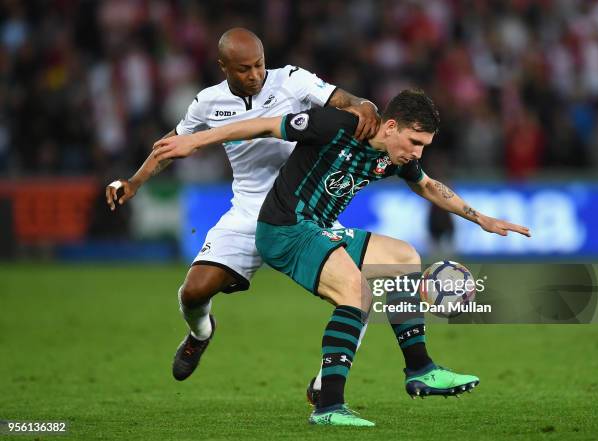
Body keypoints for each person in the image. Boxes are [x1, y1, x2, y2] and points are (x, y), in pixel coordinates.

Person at [151, 88, 531, 426]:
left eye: (424, 147)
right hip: (285, 228)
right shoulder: (336, 125)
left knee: (403, 257)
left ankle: (420, 369)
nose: (417, 153)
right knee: (358, 294)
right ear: (392, 126)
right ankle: (328, 406)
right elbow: (263, 126)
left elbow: (428, 185)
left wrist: (480, 218)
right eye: (415, 142)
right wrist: (195, 141)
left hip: (318, 228)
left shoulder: (396, 158)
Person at [105, 28, 379, 382]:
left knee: (359, 294)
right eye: (244, 69)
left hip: (303, 209)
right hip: (249, 211)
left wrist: (367, 106)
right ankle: (201, 333)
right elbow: (172, 145)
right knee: (193, 292)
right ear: (223, 67)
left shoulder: (292, 80)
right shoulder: (207, 102)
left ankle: (327, 382)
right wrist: (134, 181)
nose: (255, 76)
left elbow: (345, 100)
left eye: (259, 66)